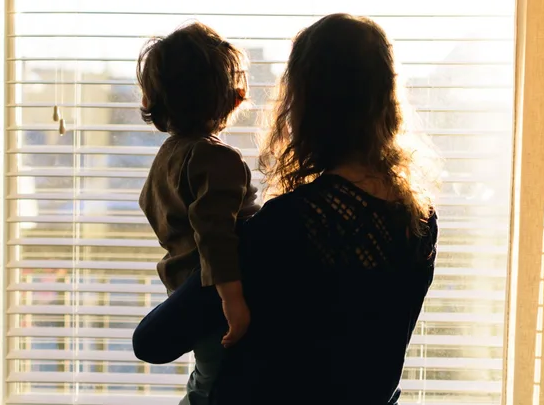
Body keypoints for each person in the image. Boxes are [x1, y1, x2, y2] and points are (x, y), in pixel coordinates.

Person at [133, 13, 440, 405]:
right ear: (386, 100)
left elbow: (153, 342)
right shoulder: (420, 221)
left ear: (305, 103)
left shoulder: (287, 225)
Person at [135, 22, 260, 405]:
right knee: (217, 383)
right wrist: (232, 301)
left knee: (208, 371)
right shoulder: (216, 157)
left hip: (188, 292)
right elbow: (215, 235)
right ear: (229, 97)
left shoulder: (169, 156)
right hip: (216, 296)